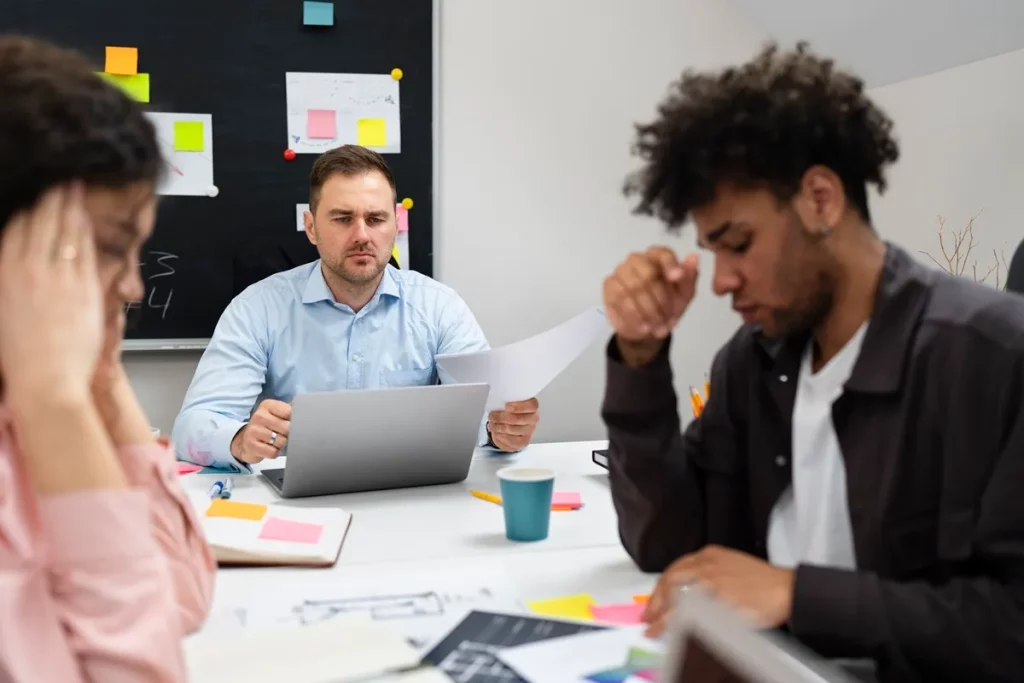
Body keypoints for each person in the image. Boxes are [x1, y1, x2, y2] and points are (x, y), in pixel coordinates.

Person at [601, 42, 1024, 682]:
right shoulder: (751, 362)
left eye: (738, 244)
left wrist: (796, 593)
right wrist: (639, 353)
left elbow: (1010, 626)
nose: (720, 282)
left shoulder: (992, 355)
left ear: (821, 199)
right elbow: (666, 543)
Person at [0, 36, 215, 681]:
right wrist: (58, 404)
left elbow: (181, 598)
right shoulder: (40, 410)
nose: (133, 288)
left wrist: (101, 383)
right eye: (111, 248)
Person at [174, 145, 540, 470]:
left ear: (394, 225)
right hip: (298, 506)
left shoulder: (439, 307)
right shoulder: (257, 308)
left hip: (410, 495)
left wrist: (500, 431)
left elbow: (482, 413)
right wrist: (239, 439)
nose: (362, 235)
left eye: (376, 219)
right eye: (343, 218)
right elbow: (193, 425)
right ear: (311, 227)